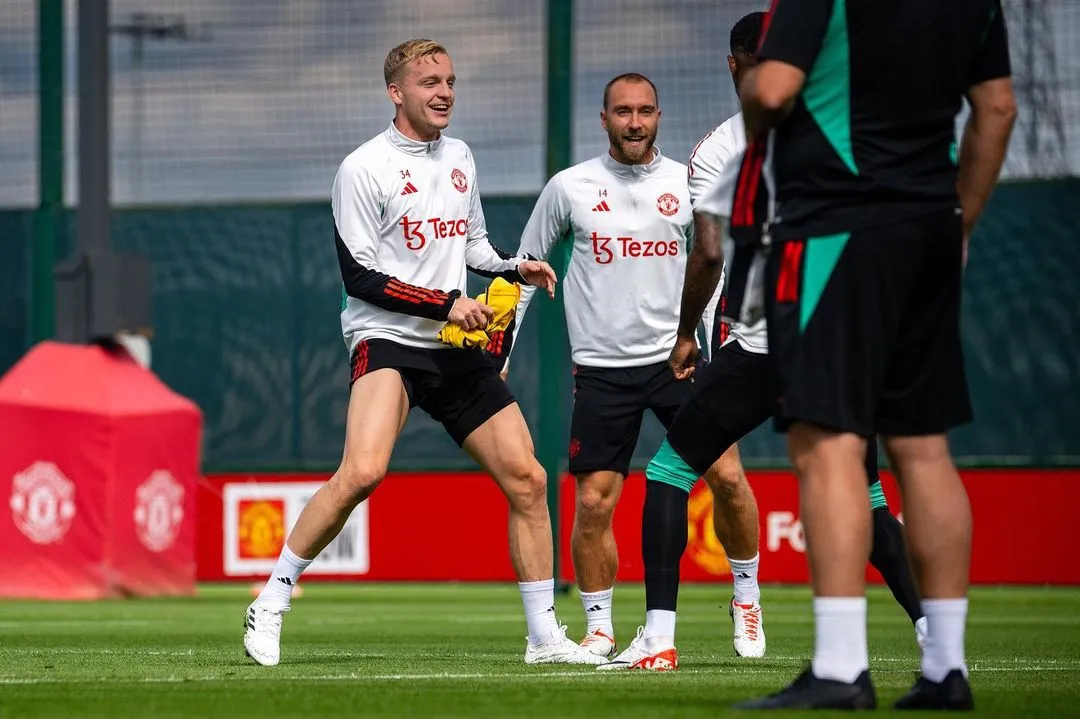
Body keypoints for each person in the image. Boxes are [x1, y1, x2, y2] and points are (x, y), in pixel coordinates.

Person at [243, 38, 605, 668]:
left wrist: (514, 268)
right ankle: (271, 601)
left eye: (450, 81)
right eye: (429, 82)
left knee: (528, 479)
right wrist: (444, 305)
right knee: (362, 471)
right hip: (385, 339)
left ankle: (544, 638)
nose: (444, 93)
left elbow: (473, 248)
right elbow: (359, 277)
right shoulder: (363, 168)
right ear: (396, 92)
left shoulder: (460, 156)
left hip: (452, 341)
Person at [733, 0, 1016, 709]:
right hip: (930, 226)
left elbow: (772, 89)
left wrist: (758, 95)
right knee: (923, 448)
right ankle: (946, 669)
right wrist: (962, 219)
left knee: (828, 443)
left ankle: (839, 668)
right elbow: (998, 109)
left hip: (834, 227)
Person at [632, 11, 928, 675]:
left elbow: (708, 254)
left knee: (670, 471)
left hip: (767, 337)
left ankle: (658, 639)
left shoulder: (722, 146)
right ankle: (932, 628)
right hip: (850, 335)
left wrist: (685, 335)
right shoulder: (851, 119)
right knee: (867, 490)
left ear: (734, 66)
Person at [506, 72, 765, 666]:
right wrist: (501, 350)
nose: (634, 122)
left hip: (678, 363)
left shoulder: (687, 181)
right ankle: (599, 628)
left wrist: (709, 337)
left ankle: (746, 596)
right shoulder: (569, 187)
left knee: (726, 477)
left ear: (659, 117)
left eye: (645, 111)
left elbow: (714, 263)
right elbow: (523, 270)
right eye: (622, 112)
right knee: (595, 503)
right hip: (600, 370)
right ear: (603, 119)